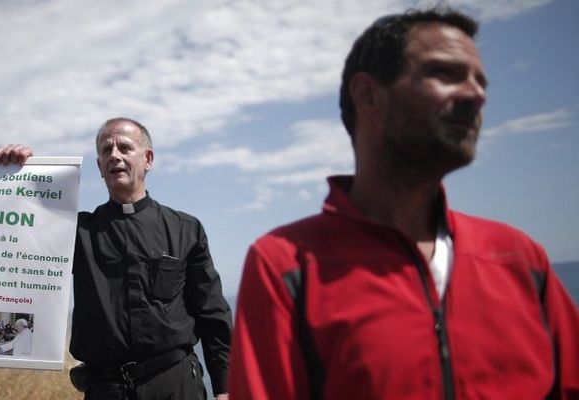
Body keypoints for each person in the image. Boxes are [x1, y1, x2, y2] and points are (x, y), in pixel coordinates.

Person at [228, 6, 579, 399]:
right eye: (445, 73)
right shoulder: (287, 267)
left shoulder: (521, 259)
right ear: (367, 94)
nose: (476, 94)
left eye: (481, 81)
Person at [0, 117, 232, 400]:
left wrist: (225, 387)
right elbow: (18, 233)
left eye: (125, 147)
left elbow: (213, 314)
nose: (115, 155)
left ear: (148, 159)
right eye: (106, 150)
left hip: (175, 384)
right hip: (106, 389)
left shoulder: (185, 229)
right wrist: (15, 174)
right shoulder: (76, 232)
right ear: (99, 166)